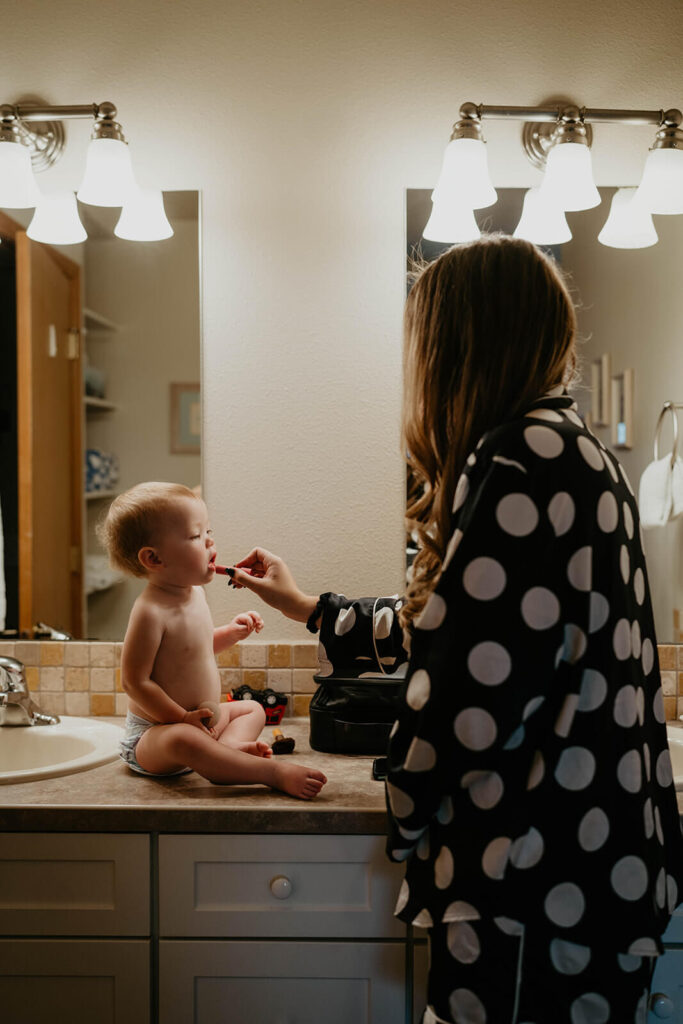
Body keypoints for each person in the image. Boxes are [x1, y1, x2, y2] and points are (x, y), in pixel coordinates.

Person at [225, 235, 683, 1023]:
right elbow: (468, 626)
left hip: (531, 879)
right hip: (594, 867)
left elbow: (471, 698)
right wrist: (308, 608)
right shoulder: (574, 449)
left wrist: (408, 795)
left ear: (456, 344)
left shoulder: (517, 459)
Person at [97, 482, 327, 800]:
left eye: (209, 531)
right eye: (196, 536)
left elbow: (195, 651)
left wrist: (231, 633)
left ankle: (228, 752)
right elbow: (135, 682)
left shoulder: (196, 595)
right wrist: (180, 719)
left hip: (202, 724)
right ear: (153, 558)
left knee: (252, 709)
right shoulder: (150, 611)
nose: (210, 542)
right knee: (184, 741)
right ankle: (271, 774)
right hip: (157, 736)